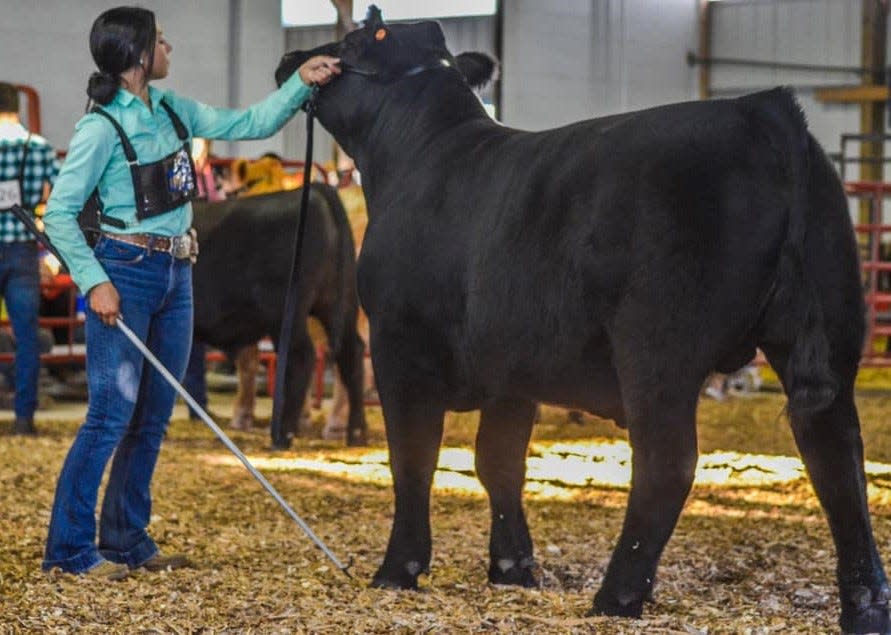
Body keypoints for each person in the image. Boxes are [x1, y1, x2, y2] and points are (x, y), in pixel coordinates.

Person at [41, 6, 339, 581]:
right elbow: (59, 213)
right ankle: (70, 551)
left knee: (153, 415)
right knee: (108, 414)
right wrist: (94, 281)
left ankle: (126, 539)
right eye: (161, 41)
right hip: (123, 274)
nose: (169, 48)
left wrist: (300, 84)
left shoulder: (173, 109)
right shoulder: (100, 127)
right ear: (137, 56)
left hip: (179, 273)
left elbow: (248, 124)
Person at [0, 82, 60, 435]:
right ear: (18, 108)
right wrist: (52, 255)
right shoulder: (38, 148)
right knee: (26, 338)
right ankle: (24, 419)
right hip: (23, 251)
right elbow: (62, 199)